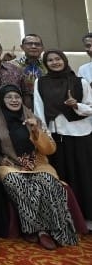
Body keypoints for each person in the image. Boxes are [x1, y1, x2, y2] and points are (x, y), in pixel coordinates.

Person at [0, 84, 77, 250]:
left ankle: (56, 229)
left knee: (48, 182)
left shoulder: (33, 118)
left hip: (37, 163)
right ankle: (38, 230)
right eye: (9, 97)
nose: (14, 100)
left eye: (17, 97)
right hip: (9, 164)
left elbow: (50, 149)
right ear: (1, 100)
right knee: (17, 182)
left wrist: (36, 131)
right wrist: (1, 160)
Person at [34, 50, 92, 229]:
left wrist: (77, 105)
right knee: (63, 177)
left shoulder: (80, 82)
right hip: (56, 137)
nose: (54, 62)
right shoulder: (40, 82)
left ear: (64, 60)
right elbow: (38, 109)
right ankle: (68, 219)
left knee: (84, 177)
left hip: (80, 135)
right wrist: (44, 133)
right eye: (50, 60)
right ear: (46, 64)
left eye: (58, 59)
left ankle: (88, 218)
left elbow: (90, 107)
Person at [7, 34, 47, 109]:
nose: (33, 46)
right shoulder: (11, 65)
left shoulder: (48, 64)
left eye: (37, 44)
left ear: (42, 48)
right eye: (29, 44)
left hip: (46, 104)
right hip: (19, 105)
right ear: (22, 47)